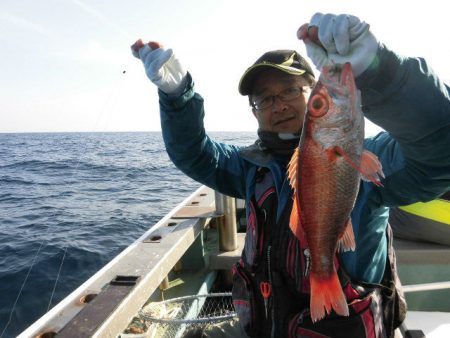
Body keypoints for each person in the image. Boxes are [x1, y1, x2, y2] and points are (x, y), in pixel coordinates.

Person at [131, 12, 450, 338]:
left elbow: (442, 150)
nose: (278, 105)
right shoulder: (251, 168)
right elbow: (194, 154)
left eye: (289, 90)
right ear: (255, 110)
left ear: (312, 90)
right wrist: (176, 94)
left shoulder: (368, 161)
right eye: (264, 99)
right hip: (265, 325)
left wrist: (383, 74)